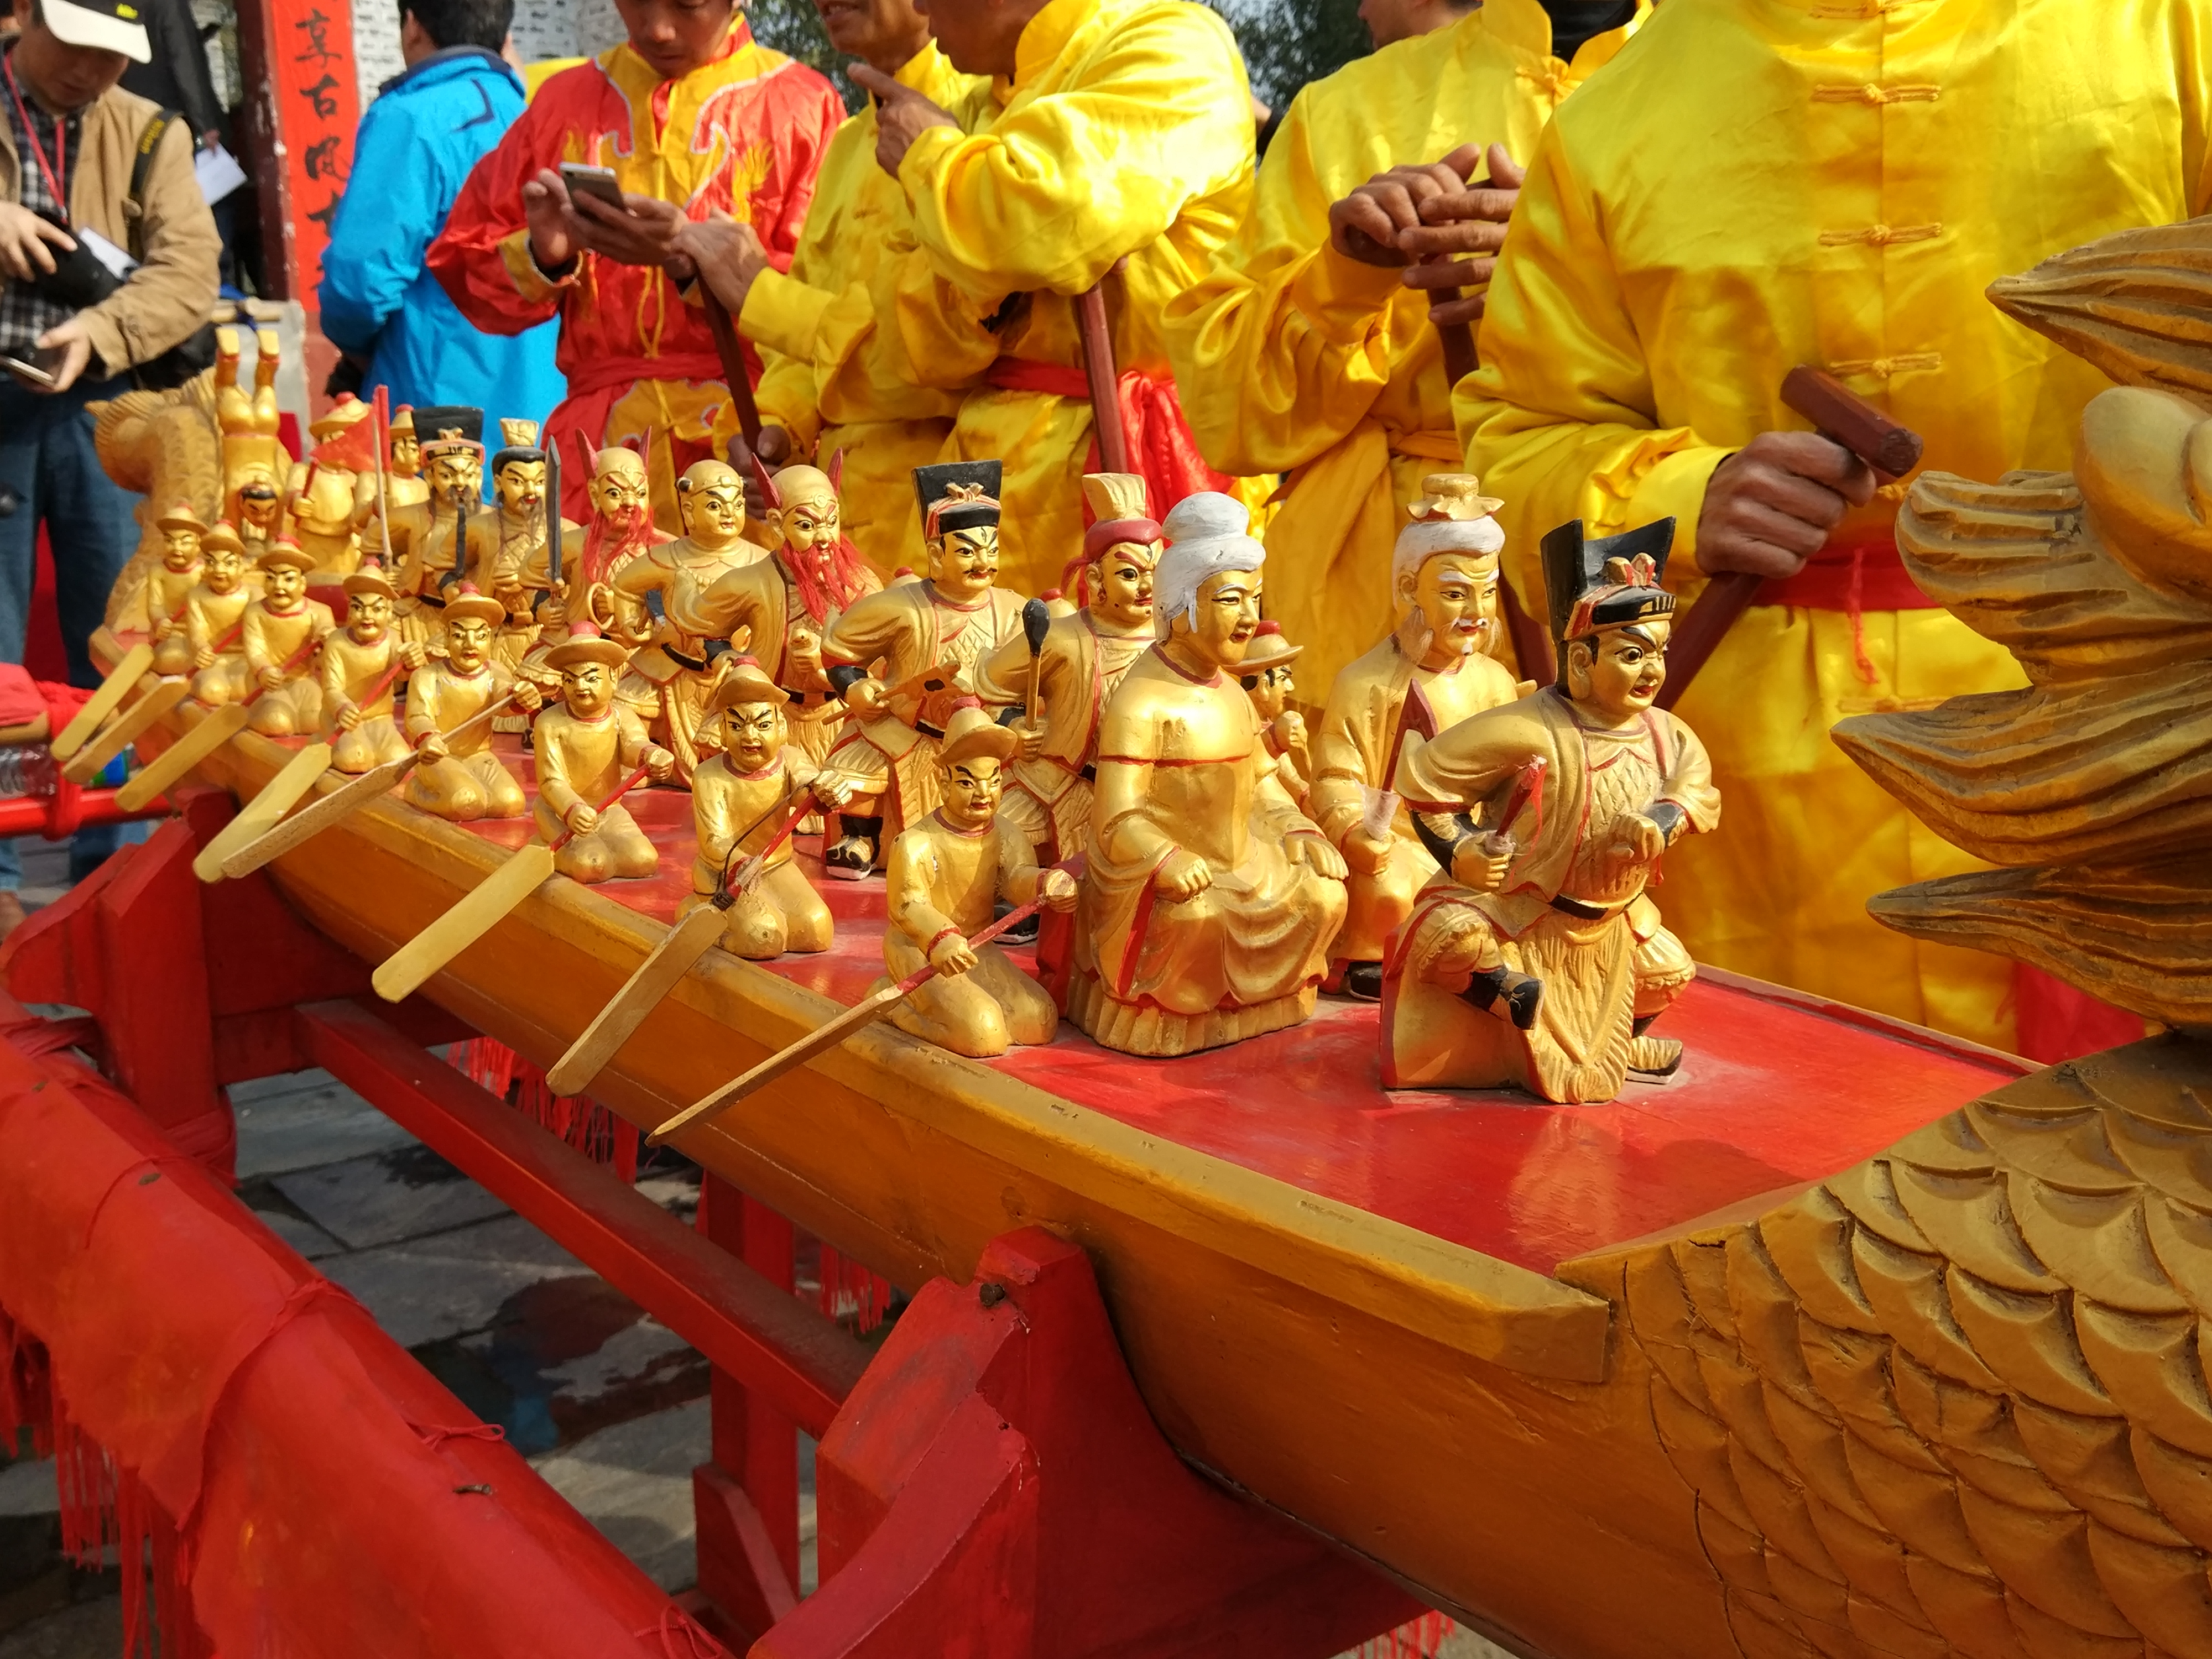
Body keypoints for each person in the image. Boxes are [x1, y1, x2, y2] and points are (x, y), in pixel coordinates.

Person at [1458, 0, 2212, 1051]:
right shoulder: (1616, 116)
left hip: (2128, 732)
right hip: (1735, 781)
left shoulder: (2170, 36)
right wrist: (1687, 493)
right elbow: (1519, 429)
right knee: (1751, 1152)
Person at [1163, 0, 1642, 705]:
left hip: (1641, 555)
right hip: (1377, 592)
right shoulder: (1345, 110)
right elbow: (1232, 410)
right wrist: (1347, 275)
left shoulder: (1725, 89)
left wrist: (1569, 264)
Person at [691, 0, 1256, 597]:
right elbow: (924, 318)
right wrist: (784, 416)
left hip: (1120, 470)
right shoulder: (969, 108)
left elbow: (1041, 223)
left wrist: (928, 157)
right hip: (975, 486)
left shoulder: (1167, 44)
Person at [426, 0, 843, 530]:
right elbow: (463, 258)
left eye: (686, 5)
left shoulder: (802, 107)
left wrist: (696, 264)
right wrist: (544, 255)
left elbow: (832, 299)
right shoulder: (564, 104)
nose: (657, 28)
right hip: (596, 457)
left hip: (750, 439)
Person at [0, 0, 219, 922]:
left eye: (113, 56)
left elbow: (189, 273)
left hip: (107, 412)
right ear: (25, 17)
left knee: (121, 643)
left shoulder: (148, 131)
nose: (93, 71)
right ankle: (3, 878)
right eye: (78, 46)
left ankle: (113, 874)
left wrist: (101, 327)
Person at [676, 0, 983, 576]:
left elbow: (942, 355)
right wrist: (777, 425)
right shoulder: (848, 142)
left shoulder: (972, 122)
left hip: (952, 514)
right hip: (835, 515)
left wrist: (759, 295)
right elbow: (813, 328)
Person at [319, 0, 563, 425]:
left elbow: (357, 285)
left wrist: (356, 351)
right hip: (549, 410)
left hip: (439, 416)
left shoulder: (410, 118)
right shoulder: (541, 119)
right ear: (505, 36)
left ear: (412, 25)